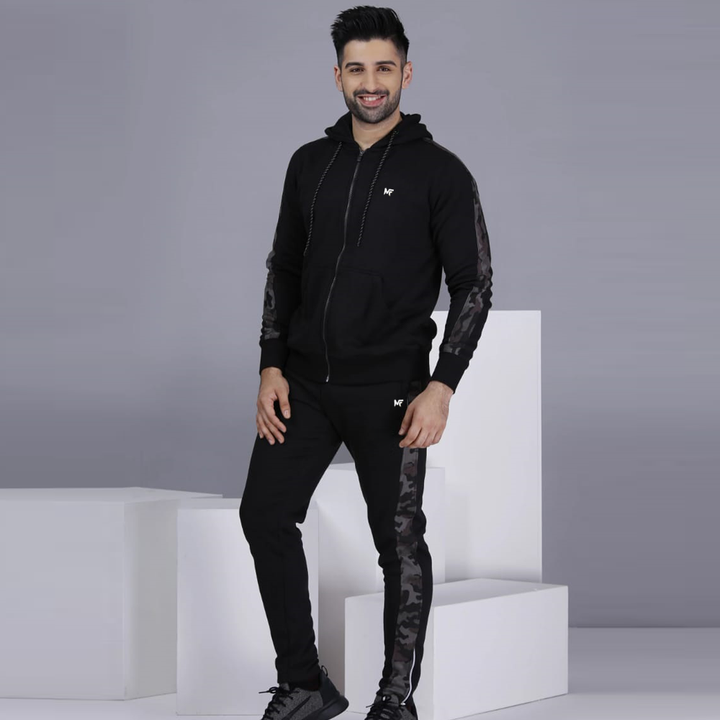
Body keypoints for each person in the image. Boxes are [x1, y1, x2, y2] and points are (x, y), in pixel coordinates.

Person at [239, 6, 493, 720]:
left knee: (399, 544)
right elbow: (284, 268)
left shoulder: (441, 173)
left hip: (392, 390)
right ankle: (305, 684)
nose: (371, 82)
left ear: (406, 73)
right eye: (357, 68)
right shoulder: (309, 164)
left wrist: (443, 384)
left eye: (384, 68)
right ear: (338, 76)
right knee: (264, 516)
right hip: (305, 385)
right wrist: (270, 364)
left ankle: (395, 698)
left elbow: (475, 282)